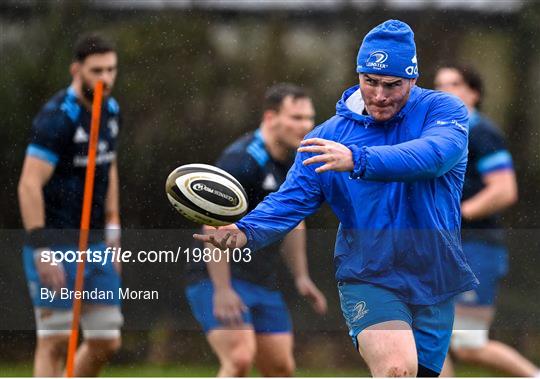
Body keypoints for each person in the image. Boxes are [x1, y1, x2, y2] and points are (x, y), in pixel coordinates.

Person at [195, 20, 479, 377]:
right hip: (369, 273)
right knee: (396, 369)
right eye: (370, 82)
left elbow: (433, 156)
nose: (379, 95)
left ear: (412, 79)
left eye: (392, 85)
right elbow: (292, 199)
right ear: (358, 74)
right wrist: (246, 230)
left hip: (435, 275)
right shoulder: (327, 136)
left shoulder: (443, 112)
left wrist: (358, 159)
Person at [184, 83, 327, 377]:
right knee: (238, 359)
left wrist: (301, 277)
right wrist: (222, 290)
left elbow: (294, 220)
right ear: (270, 118)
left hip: (261, 277)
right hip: (217, 276)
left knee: (281, 368)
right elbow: (212, 223)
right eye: (296, 118)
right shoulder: (241, 161)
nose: (306, 126)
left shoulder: (293, 161)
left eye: (309, 118)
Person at [18, 33, 123, 377]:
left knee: (107, 341)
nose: (105, 78)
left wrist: (112, 225)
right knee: (56, 340)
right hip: (56, 242)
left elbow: (108, 166)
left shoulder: (111, 110)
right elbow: (29, 184)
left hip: (95, 243)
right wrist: (40, 248)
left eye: (111, 70)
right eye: (97, 70)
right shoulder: (56, 119)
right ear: (76, 70)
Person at [435, 64, 540, 377]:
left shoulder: (482, 133)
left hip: (476, 248)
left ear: (474, 93)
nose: (444, 90)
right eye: (439, 84)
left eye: (453, 83)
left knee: (469, 344)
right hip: (446, 248)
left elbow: (504, 190)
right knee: (428, 335)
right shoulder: (439, 134)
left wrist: (457, 215)